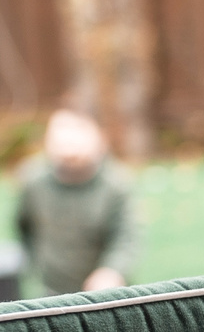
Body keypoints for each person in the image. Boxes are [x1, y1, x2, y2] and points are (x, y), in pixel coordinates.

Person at [14, 109, 136, 295]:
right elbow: (24, 227)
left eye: (77, 131)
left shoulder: (116, 183)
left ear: (98, 138)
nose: (69, 141)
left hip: (105, 291)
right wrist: (34, 264)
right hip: (51, 290)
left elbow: (126, 236)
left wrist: (112, 271)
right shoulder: (33, 180)